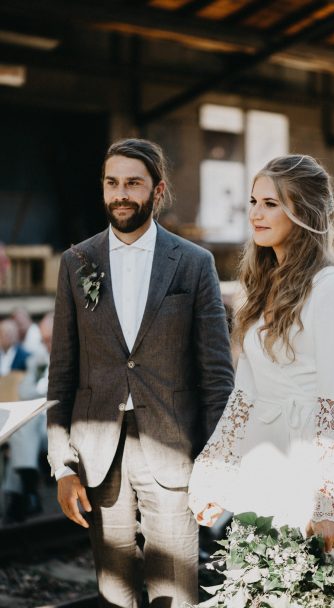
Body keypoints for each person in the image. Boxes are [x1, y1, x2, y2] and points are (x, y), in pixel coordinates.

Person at [47, 138, 234, 608]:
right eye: (112, 183)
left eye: (133, 183)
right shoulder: (76, 263)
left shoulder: (194, 264)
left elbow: (216, 374)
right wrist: (61, 465)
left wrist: (216, 463)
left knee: (177, 589)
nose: (121, 194)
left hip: (173, 449)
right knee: (114, 591)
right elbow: (62, 370)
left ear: (158, 190)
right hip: (98, 455)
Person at [188, 154, 334, 608]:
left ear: (304, 212)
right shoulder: (259, 285)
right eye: (254, 201)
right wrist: (212, 473)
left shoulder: (332, 287)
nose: (255, 212)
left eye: (271, 203)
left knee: (318, 592)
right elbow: (244, 394)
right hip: (262, 460)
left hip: (310, 463)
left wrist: (329, 501)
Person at [2, 312, 54, 524]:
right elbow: (24, 391)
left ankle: (20, 494)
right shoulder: (37, 360)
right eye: (44, 340)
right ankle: (27, 489)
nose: (46, 344)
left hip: (58, 423)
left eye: (50, 339)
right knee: (23, 429)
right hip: (38, 422)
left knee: (22, 433)